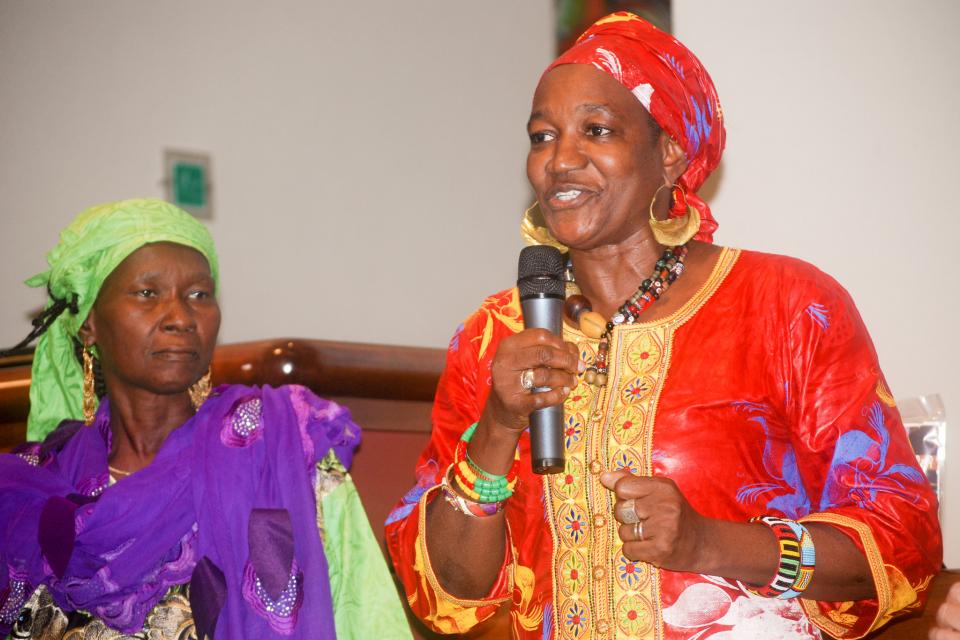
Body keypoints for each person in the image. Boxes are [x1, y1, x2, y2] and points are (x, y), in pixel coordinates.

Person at [386, 12, 942, 639]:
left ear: (670, 153)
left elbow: (902, 542)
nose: (560, 160)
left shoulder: (785, 305)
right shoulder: (492, 335)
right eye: (542, 137)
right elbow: (447, 598)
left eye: (597, 130)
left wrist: (710, 543)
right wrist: (497, 424)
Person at [0, 199, 411, 639]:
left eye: (199, 294)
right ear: (88, 325)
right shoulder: (32, 488)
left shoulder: (282, 446)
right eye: (147, 293)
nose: (181, 318)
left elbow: (368, 618)